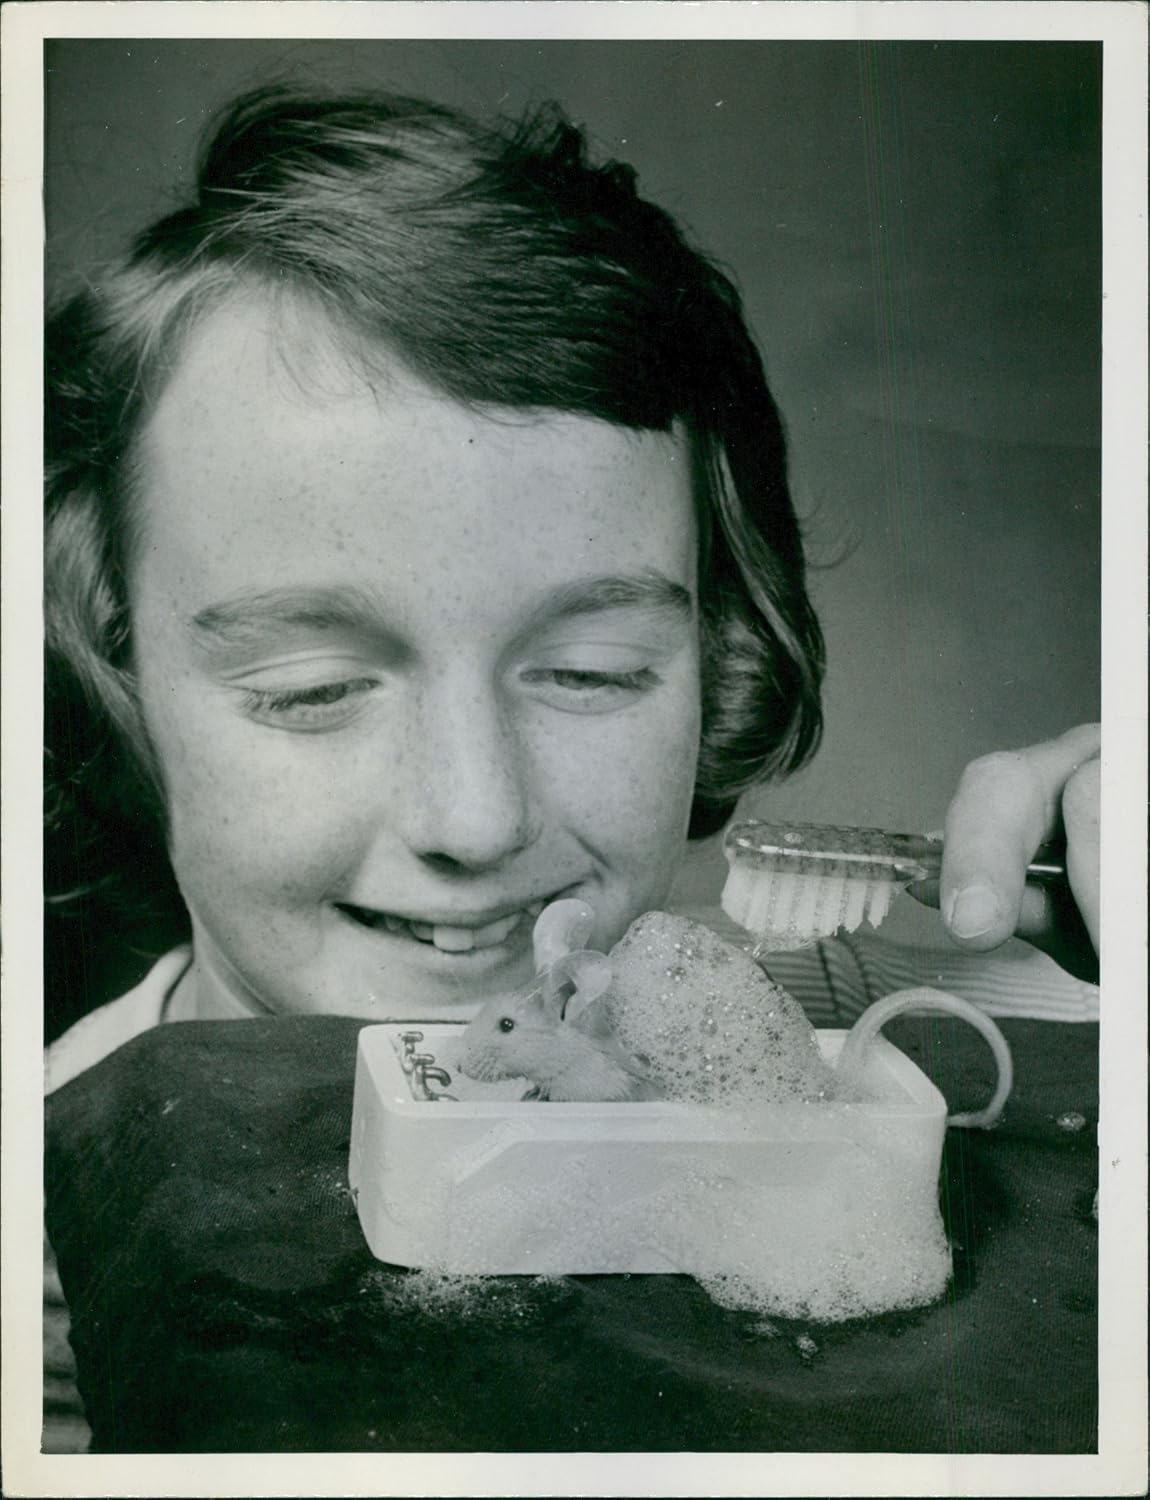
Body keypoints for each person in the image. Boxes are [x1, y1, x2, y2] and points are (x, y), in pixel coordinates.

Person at [42, 87, 1100, 1451]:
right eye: (313, 690)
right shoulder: (42, 1245)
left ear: (722, 655)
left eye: (590, 671)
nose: (475, 821)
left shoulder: (943, 1034)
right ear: (113, 668)